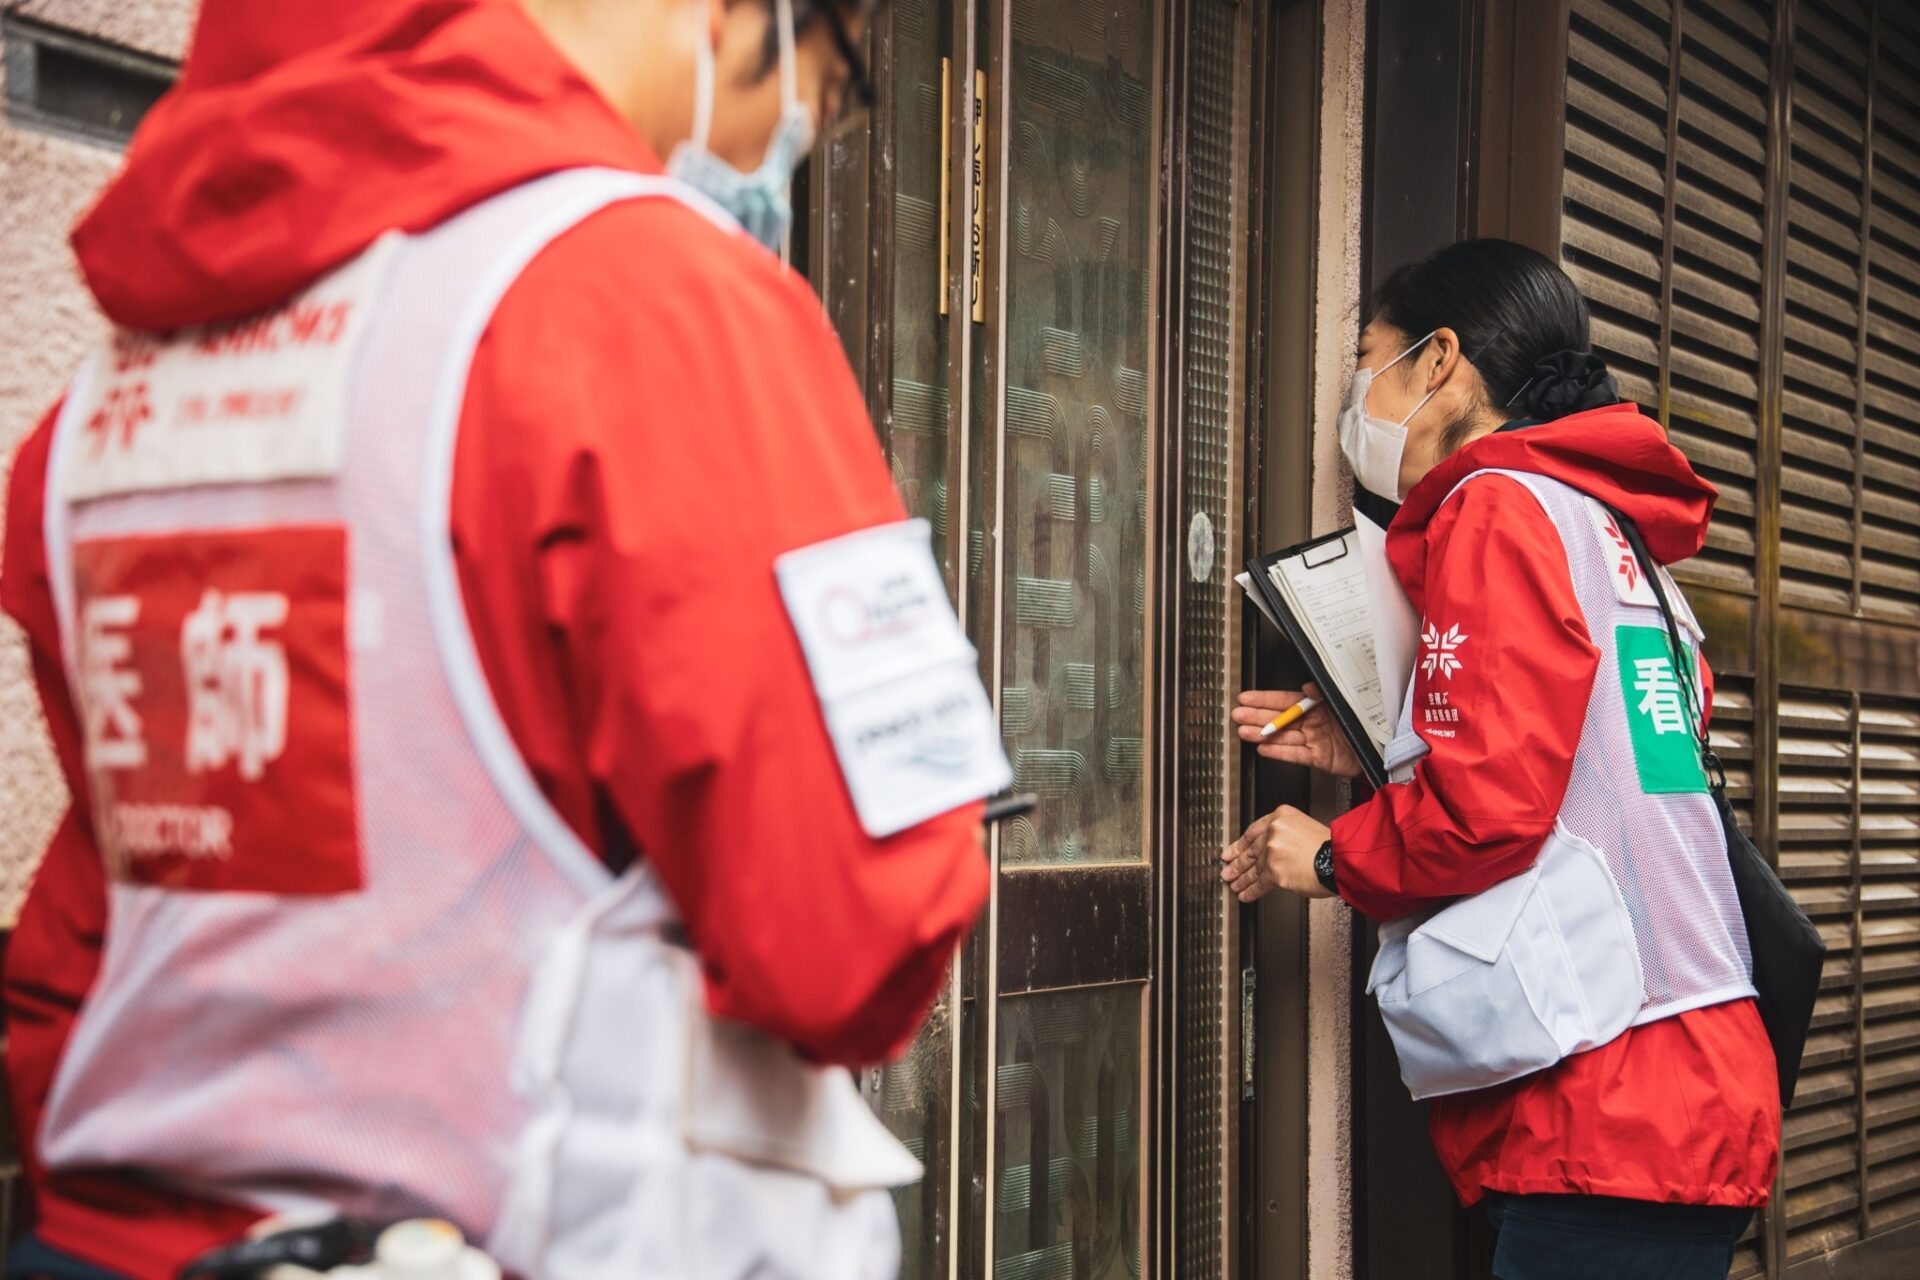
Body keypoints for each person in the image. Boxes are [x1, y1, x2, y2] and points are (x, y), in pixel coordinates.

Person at [0, 1, 1006, 1277]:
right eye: (820, 85)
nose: (786, 137)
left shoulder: (107, 400)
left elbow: (93, 934)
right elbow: (854, 936)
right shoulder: (656, 304)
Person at [1222, 240, 1781, 1279]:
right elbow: (1599, 779)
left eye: (1367, 356)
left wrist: (1334, 857)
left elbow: (1490, 811)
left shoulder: (1496, 507)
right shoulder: (1610, 532)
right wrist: (1388, 754)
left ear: (1439, 361)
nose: (1357, 391)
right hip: (1690, 1069)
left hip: (1605, 1100)